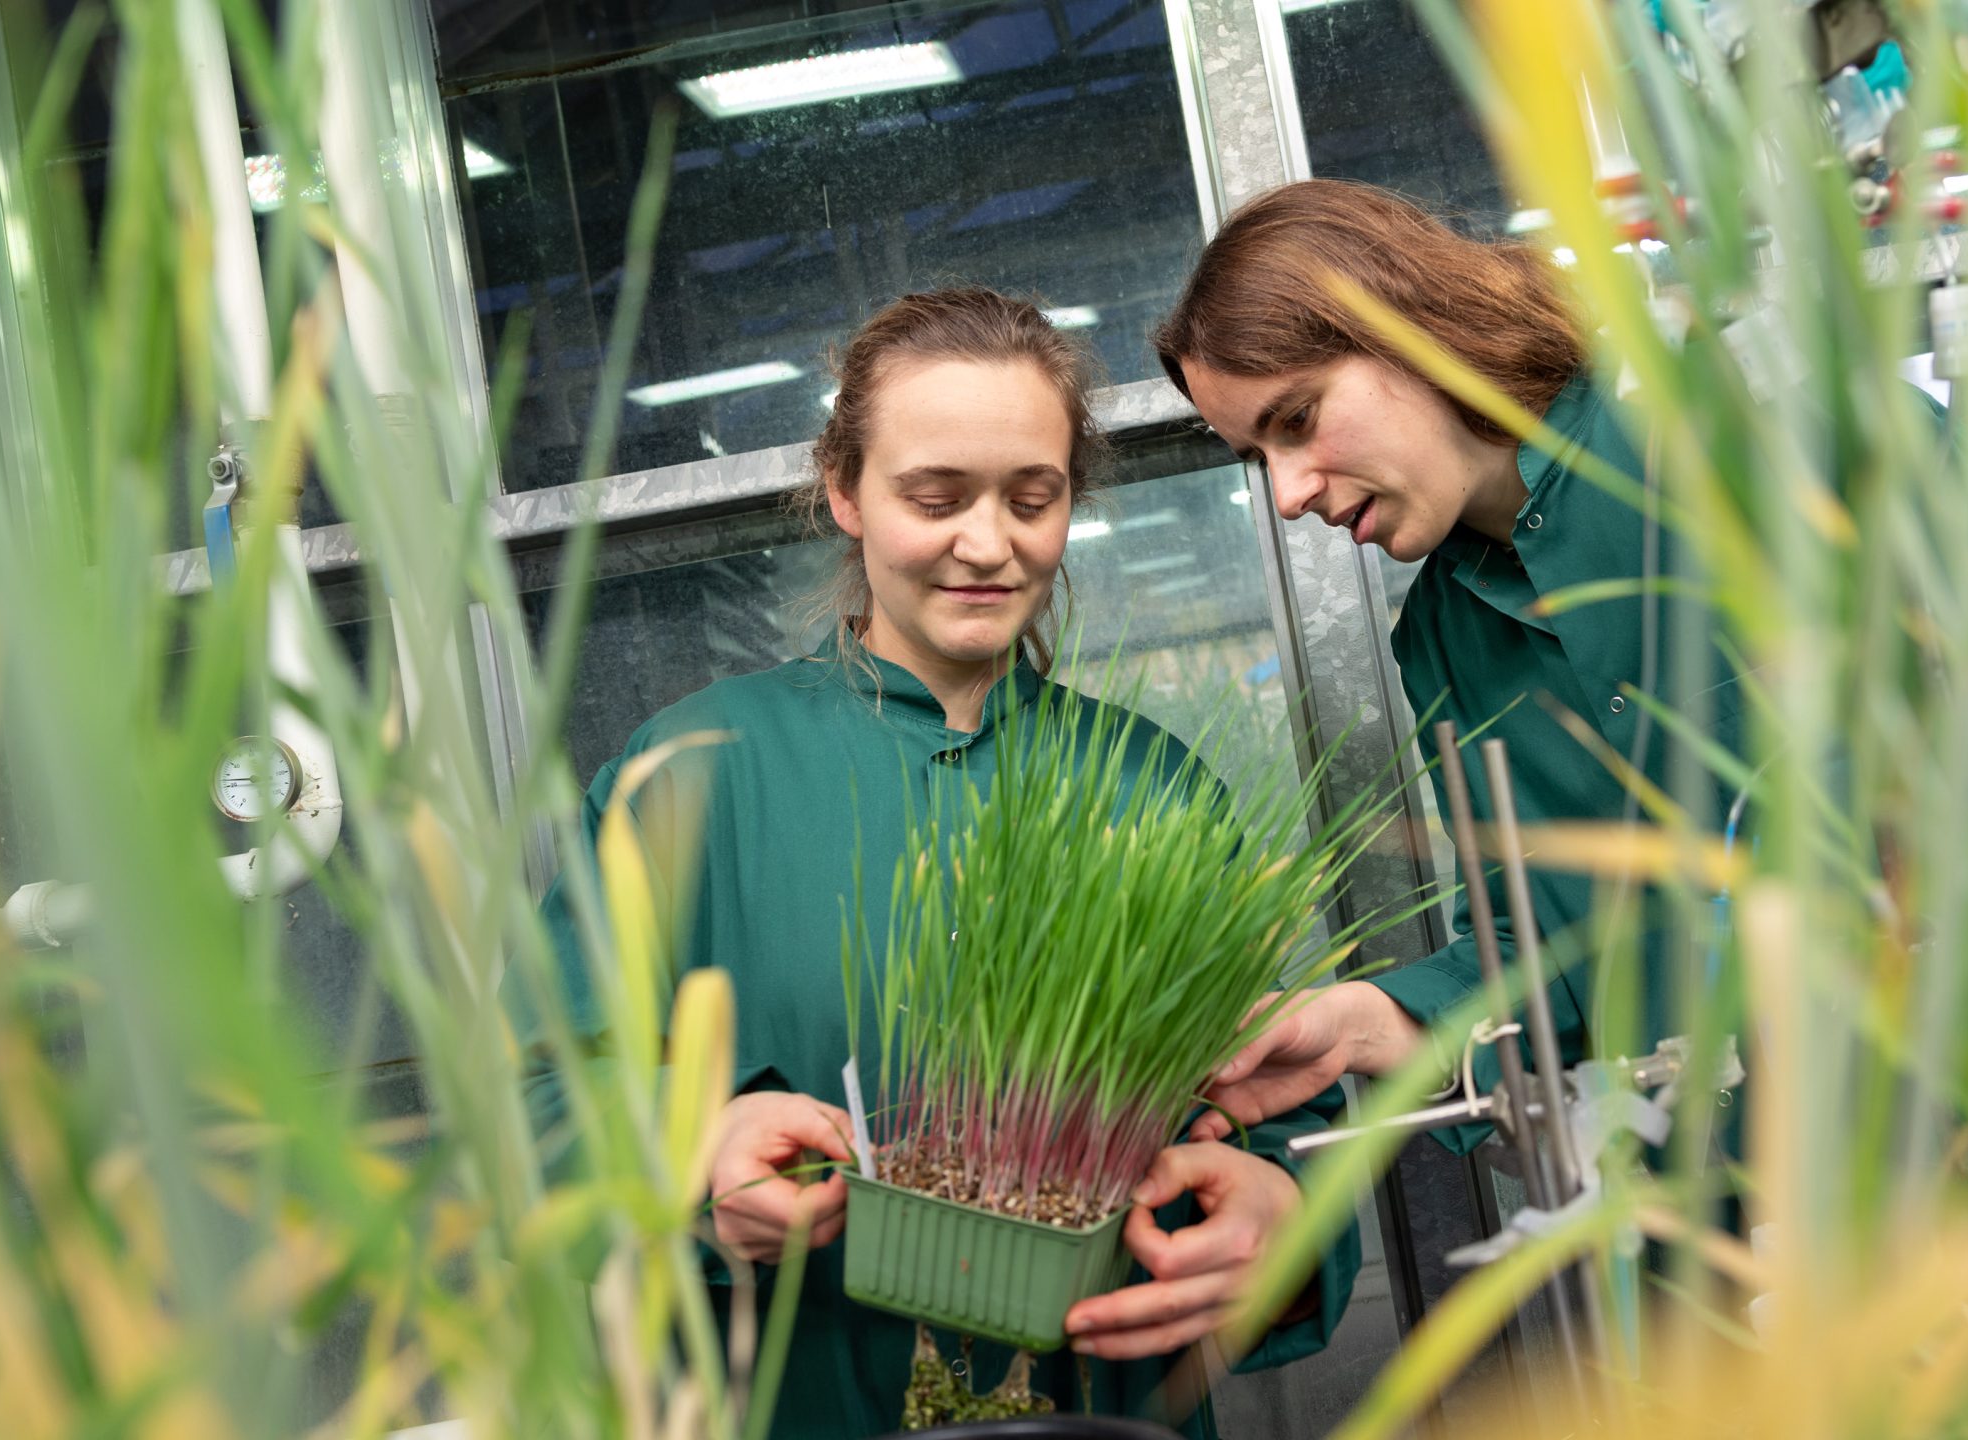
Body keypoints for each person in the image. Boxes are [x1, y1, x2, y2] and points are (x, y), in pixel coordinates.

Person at [537, 288, 1357, 1438]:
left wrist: (1280, 1208)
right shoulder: (692, 774)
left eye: (1034, 497)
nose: (989, 543)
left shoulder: (1151, 787)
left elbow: (1277, 1105)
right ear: (844, 495)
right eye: (935, 497)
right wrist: (682, 1161)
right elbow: (538, 1102)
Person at [1155, 179, 1731, 1144]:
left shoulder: (1746, 456)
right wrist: (1367, 1026)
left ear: (1415, 330)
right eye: (1260, 458)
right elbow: (1536, 956)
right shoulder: (1443, 638)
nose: (1290, 494)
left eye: (1296, 420)